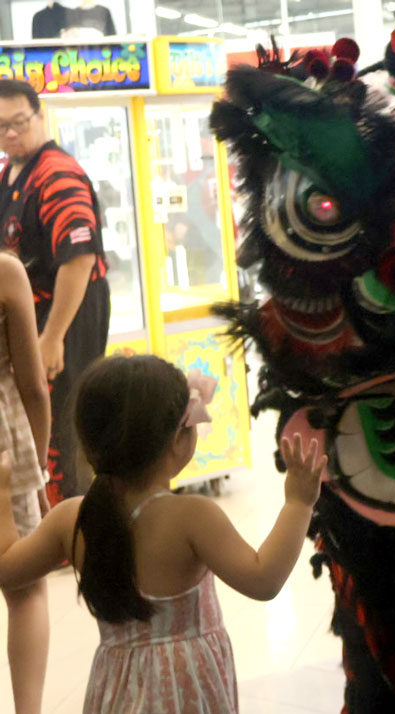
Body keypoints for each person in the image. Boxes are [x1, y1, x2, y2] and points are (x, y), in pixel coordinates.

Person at [0, 354, 327, 713]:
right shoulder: (192, 518)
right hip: (186, 693)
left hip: (115, 691)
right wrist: (298, 504)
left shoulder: (71, 518)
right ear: (177, 438)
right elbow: (264, 579)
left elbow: (6, 568)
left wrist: (2, 497)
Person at [0, 79, 111, 505]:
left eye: (20, 122)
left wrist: (53, 337)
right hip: (30, 315)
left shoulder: (56, 173)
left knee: (66, 421)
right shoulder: (12, 171)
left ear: (40, 116)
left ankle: (72, 523)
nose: (11, 133)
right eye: (2, 126)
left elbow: (79, 258)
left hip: (66, 313)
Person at [0, 252, 51, 714]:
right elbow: (32, 383)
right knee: (26, 587)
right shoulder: (5, 271)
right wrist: (40, 470)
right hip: (6, 444)